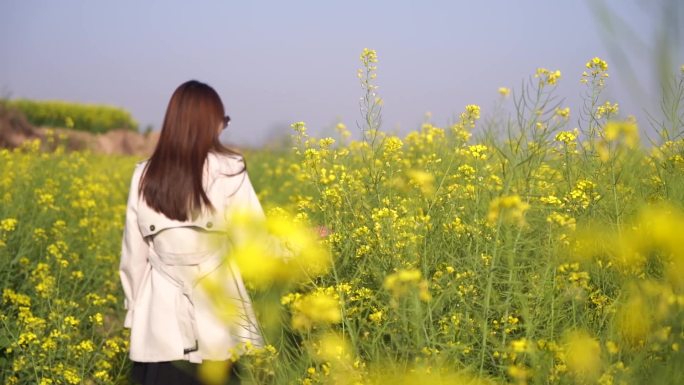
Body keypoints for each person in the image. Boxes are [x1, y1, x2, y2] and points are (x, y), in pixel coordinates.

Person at [119, 80, 265, 385]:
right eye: (222, 121)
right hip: (219, 322)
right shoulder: (230, 170)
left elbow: (134, 257)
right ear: (209, 123)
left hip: (159, 326)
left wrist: (135, 312)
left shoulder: (143, 175)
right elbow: (256, 241)